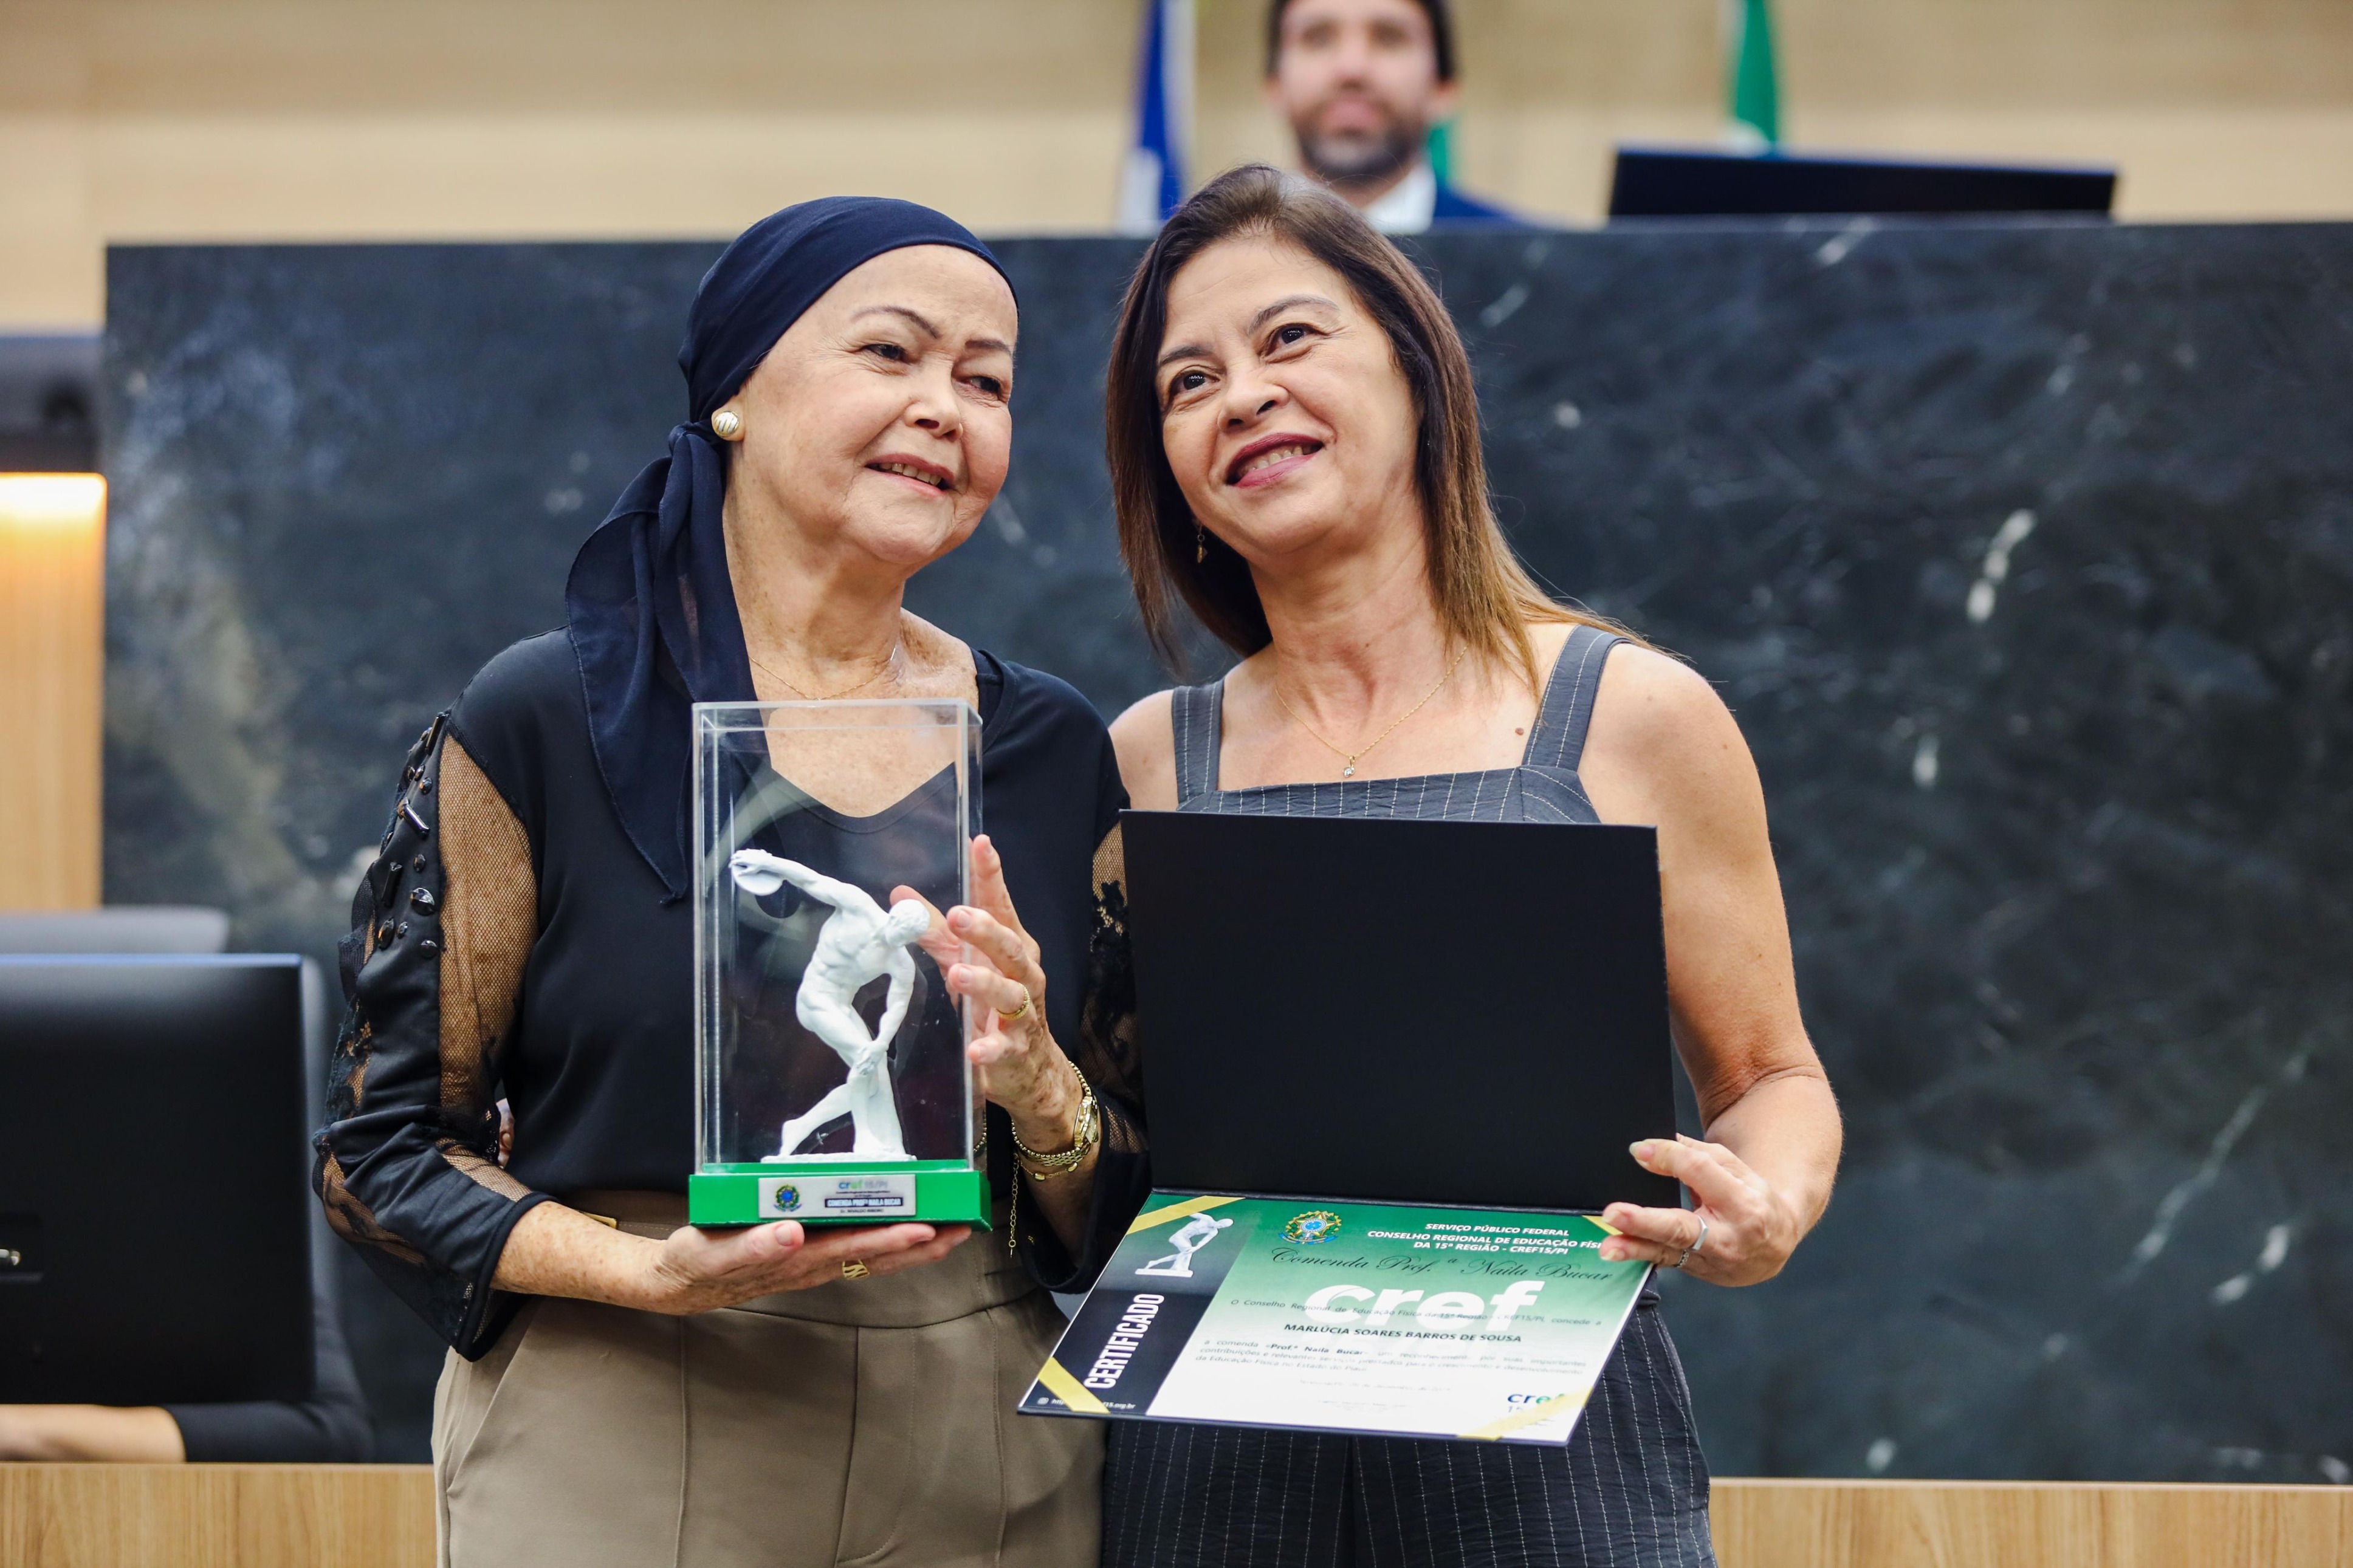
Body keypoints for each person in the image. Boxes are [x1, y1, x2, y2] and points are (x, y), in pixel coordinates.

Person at [1042, 163, 1844, 1565]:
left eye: (1289, 339)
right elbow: (1111, 1168)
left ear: (1415, 372)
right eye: (1187, 382)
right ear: (1166, 470)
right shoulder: (1145, 759)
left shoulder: (1637, 711)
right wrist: (1011, 1070)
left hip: (1555, 1442)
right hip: (1213, 1463)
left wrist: (1763, 1209)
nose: (1240, 396)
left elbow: (1772, 1076)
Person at [313, 198, 1119, 1568]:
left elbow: (1129, 1199)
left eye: (985, 381)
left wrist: (1042, 1087)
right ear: (736, 393)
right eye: (892, 353)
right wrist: (647, 1271)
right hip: (629, 1388)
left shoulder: (1045, 746)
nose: (945, 407)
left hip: (981, 1419)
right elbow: (377, 1154)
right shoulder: (545, 717)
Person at [1267, 0, 1519, 232]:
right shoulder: (1228, 257)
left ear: (1442, 89)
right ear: (1274, 86)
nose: (1352, 68)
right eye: (1319, 39)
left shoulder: (1531, 261)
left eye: (1389, 38)